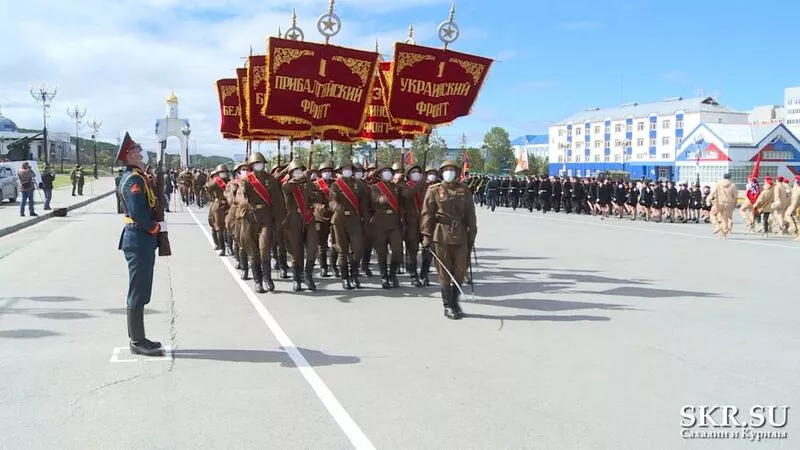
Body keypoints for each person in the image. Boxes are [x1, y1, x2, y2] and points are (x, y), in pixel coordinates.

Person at [116, 133, 164, 357]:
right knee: (138, 289)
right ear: (128, 156)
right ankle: (136, 341)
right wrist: (153, 228)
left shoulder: (139, 176)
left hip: (140, 237)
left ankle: (140, 337)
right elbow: (137, 212)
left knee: (143, 287)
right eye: (135, 151)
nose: (140, 153)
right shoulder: (133, 180)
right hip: (138, 236)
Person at [420, 160, 477, 320]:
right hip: (441, 235)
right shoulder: (434, 190)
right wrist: (426, 236)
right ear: (441, 172)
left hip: (460, 234)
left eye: (452, 169)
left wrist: (472, 233)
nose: (449, 172)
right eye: (446, 169)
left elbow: (470, 213)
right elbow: (427, 214)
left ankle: (455, 301)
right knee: (444, 271)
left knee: (460, 269)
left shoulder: (464, 190)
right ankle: (448, 305)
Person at [710, 173, 738, 238]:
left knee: (712, 214)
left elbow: (713, 192)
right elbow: (735, 196)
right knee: (725, 218)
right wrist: (734, 204)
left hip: (720, 202)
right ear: (730, 178)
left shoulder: (718, 184)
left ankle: (717, 226)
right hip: (729, 203)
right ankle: (724, 234)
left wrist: (710, 199)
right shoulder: (732, 185)